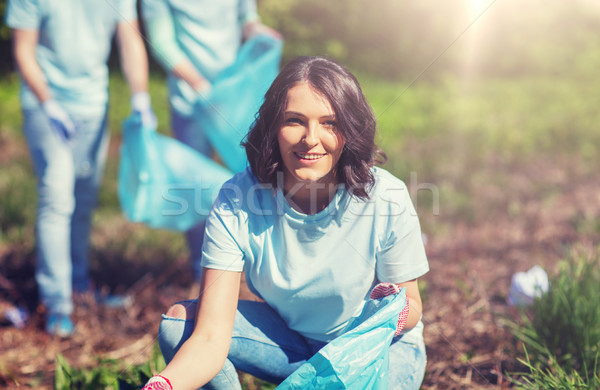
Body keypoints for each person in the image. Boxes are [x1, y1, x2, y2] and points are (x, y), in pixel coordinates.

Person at [142, 56, 429, 390]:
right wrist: (162, 384)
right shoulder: (238, 199)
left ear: (351, 130)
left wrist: (387, 314)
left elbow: (413, 306)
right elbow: (209, 336)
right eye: (295, 121)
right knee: (180, 326)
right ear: (273, 127)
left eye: (330, 123)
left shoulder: (386, 196)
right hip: (294, 344)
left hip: (376, 350)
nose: (311, 138)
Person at [5, 0, 156, 337]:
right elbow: (23, 50)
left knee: (84, 199)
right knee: (57, 199)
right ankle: (56, 304)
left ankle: (79, 288)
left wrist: (141, 98)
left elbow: (130, 39)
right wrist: (48, 102)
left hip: (93, 104)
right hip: (48, 105)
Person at [140, 0, 281, 290]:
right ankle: (201, 270)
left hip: (235, 98)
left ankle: (257, 265)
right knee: (194, 189)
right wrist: (200, 84)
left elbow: (246, 18)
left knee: (257, 177)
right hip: (190, 102)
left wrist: (258, 32)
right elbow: (161, 42)